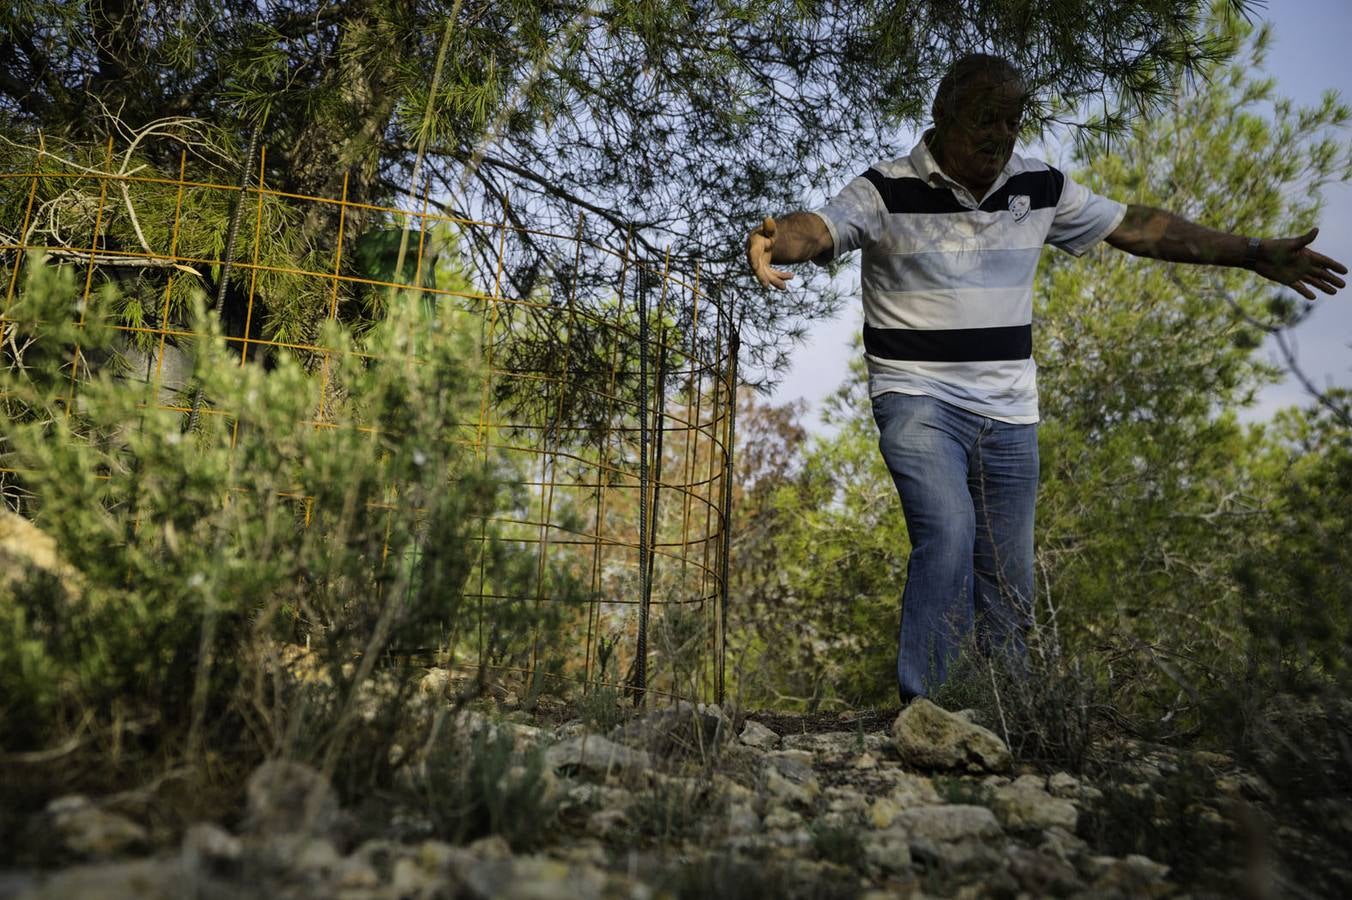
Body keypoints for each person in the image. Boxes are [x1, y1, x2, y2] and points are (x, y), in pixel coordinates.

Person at [745, 54, 1348, 703]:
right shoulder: (884, 189)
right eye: (985, 118)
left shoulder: (1041, 187)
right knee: (948, 531)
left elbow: (1139, 227)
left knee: (1008, 574)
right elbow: (821, 227)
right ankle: (933, 709)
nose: (1000, 134)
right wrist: (778, 241)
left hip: (1009, 411)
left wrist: (1253, 253)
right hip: (917, 398)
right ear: (942, 115)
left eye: (1012, 120)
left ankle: (1011, 712)